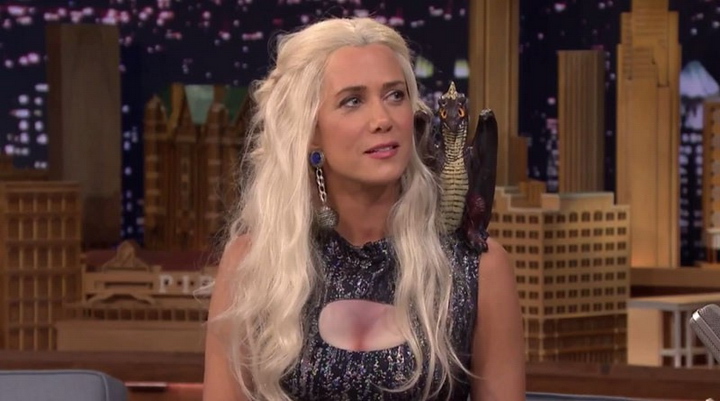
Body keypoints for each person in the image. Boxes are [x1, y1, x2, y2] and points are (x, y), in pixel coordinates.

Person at [202, 17, 525, 401]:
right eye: (353, 101)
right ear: (310, 131)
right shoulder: (253, 266)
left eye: (395, 96)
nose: (383, 120)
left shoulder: (478, 270)